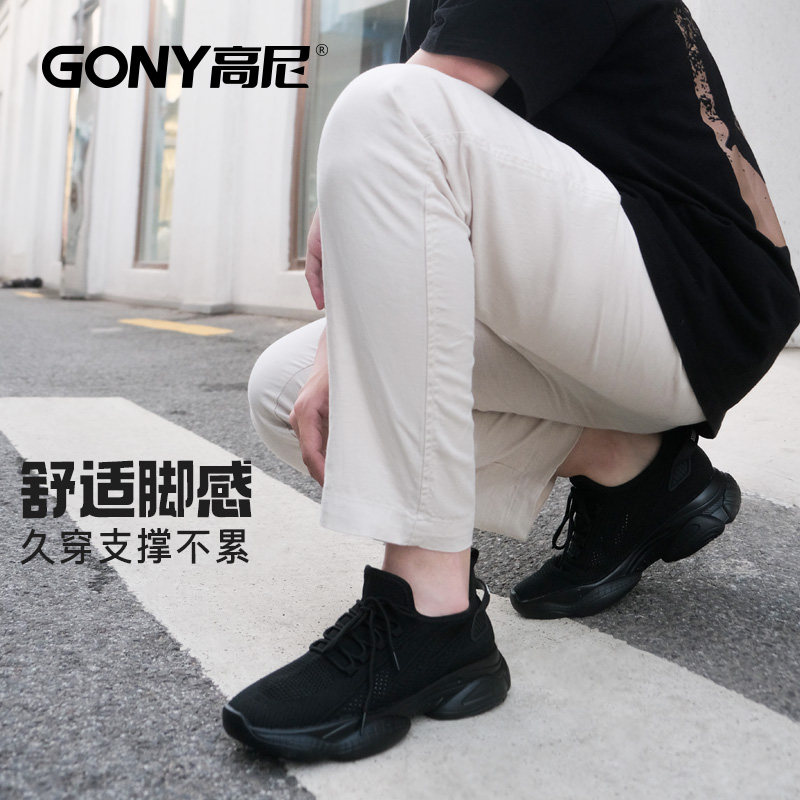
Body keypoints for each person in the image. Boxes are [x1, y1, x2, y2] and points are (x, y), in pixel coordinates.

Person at [222, 0, 800, 761]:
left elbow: (415, 115)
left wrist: (352, 190)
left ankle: (429, 615)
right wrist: (346, 338)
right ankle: (632, 468)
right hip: (589, 309)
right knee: (289, 389)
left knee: (385, 106)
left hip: (694, 298)